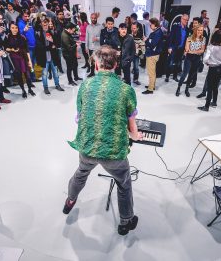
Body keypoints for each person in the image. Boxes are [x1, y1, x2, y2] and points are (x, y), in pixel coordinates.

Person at [64, 46, 142, 235]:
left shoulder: (86, 85)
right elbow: (132, 129)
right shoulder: (126, 90)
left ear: (96, 65)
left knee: (81, 173)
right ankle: (125, 221)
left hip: (87, 148)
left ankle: (70, 201)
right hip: (113, 153)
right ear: (116, 65)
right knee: (124, 183)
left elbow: (79, 116)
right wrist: (136, 136)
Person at [197, 31, 221, 111]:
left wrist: (207, 63)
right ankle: (214, 102)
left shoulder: (211, 47)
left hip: (213, 68)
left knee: (210, 87)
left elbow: (205, 59)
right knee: (215, 87)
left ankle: (206, 106)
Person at [3, 23, 35, 98]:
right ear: (10, 28)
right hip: (14, 59)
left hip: (24, 58)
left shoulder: (22, 37)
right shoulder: (7, 37)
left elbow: (27, 50)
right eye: (13, 28)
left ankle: (30, 89)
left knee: (28, 75)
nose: (15, 29)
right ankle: (23, 90)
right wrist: (12, 49)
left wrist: (29, 61)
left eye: (16, 28)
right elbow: (5, 48)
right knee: (19, 76)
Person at [36, 19, 65, 94]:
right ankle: (45, 87)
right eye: (44, 25)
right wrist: (50, 46)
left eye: (47, 24)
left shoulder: (52, 32)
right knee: (44, 73)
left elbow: (57, 44)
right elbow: (40, 47)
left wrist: (52, 41)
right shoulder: (38, 34)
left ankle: (57, 85)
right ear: (41, 25)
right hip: (44, 57)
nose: (46, 26)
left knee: (55, 72)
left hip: (53, 57)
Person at [175, 25, 205, 97]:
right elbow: (187, 49)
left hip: (197, 59)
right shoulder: (189, 38)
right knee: (184, 74)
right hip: (189, 57)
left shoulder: (203, 39)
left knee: (191, 75)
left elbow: (202, 50)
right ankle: (178, 88)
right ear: (195, 30)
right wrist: (196, 51)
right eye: (198, 30)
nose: (200, 32)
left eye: (201, 30)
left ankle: (186, 89)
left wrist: (194, 51)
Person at [166, 14, 190, 82]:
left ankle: (175, 76)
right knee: (170, 63)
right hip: (174, 48)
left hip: (181, 49)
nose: (186, 21)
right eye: (185, 19)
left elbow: (187, 40)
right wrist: (170, 47)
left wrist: (185, 50)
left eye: (187, 20)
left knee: (178, 64)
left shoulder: (187, 29)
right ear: (181, 19)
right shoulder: (175, 27)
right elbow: (171, 37)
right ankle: (167, 76)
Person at [143, 18, 163, 94]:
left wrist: (146, 40)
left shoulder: (157, 33)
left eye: (150, 24)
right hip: (153, 54)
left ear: (154, 24)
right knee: (152, 72)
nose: (150, 26)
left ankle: (150, 89)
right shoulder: (157, 32)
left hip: (152, 55)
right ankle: (152, 85)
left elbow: (152, 44)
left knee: (151, 72)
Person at [17, 11, 38, 82]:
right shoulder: (20, 24)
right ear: (22, 16)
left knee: (33, 63)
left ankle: (33, 77)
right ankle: (31, 78)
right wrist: (24, 31)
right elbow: (18, 35)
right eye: (25, 16)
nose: (27, 17)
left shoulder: (29, 23)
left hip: (33, 46)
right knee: (29, 63)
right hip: (28, 47)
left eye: (28, 16)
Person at [85, 12, 102, 78]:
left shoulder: (100, 27)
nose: (93, 19)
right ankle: (92, 73)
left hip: (98, 48)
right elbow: (86, 37)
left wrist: (97, 38)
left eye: (95, 18)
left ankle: (99, 74)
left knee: (98, 62)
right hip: (90, 47)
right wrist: (86, 47)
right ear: (90, 18)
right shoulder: (88, 27)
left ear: (96, 18)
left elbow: (103, 37)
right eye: (92, 18)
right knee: (91, 61)